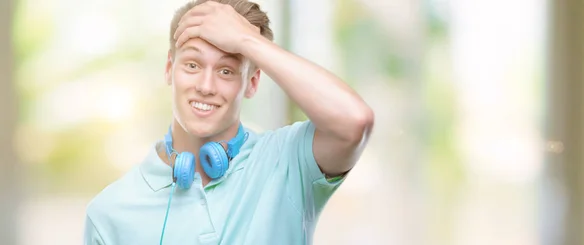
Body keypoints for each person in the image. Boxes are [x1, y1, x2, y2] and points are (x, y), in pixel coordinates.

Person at [83, 0, 374, 244]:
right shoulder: (110, 213)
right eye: (193, 65)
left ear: (252, 82)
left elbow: (354, 121)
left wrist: (247, 41)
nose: (206, 86)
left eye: (226, 71)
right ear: (170, 68)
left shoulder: (287, 160)